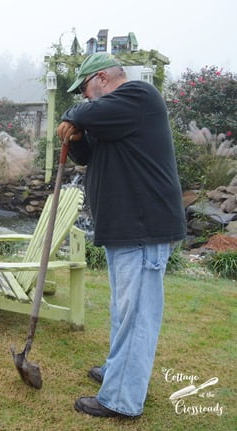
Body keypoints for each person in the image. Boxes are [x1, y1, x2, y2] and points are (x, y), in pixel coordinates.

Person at [57, 52, 186, 418]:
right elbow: (88, 154)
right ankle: (118, 371)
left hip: (144, 228)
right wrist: (77, 136)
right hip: (125, 230)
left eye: (84, 90)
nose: (84, 98)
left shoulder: (139, 96)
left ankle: (122, 401)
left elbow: (84, 114)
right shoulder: (116, 116)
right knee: (123, 312)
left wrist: (74, 117)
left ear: (101, 79)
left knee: (138, 315)